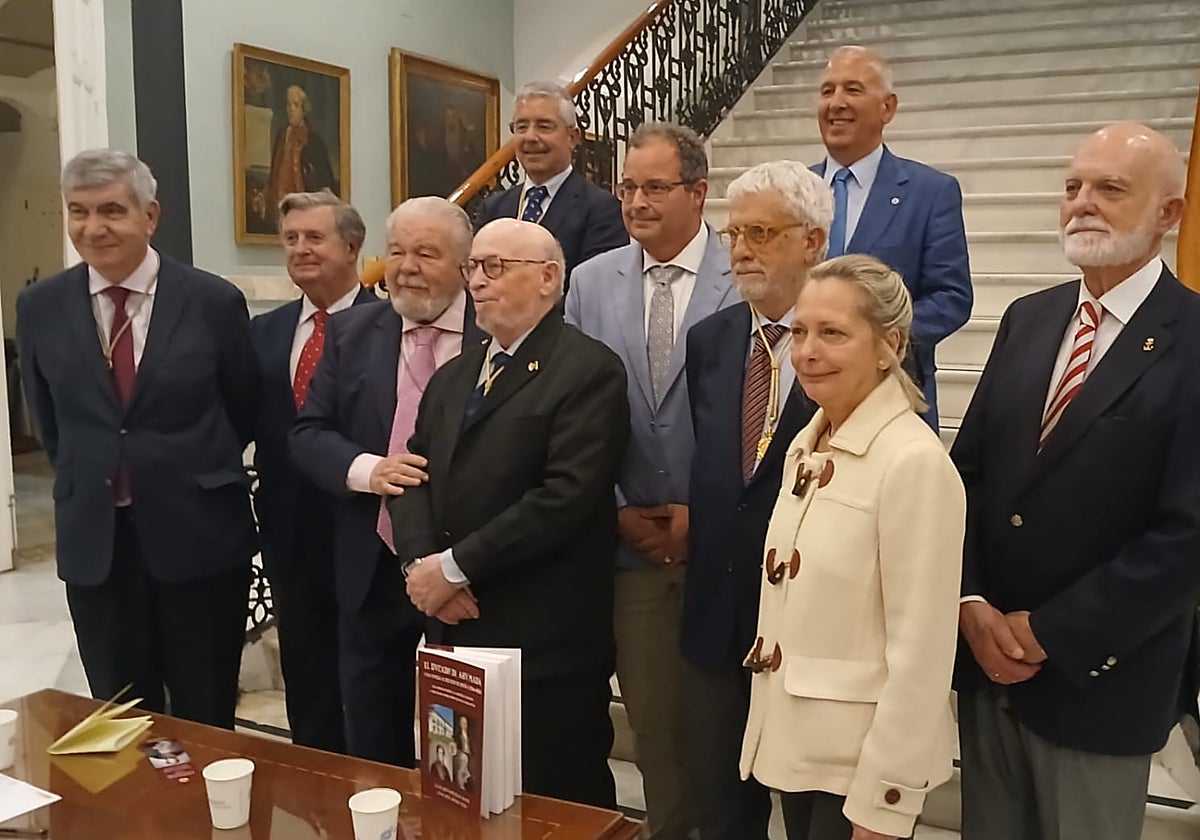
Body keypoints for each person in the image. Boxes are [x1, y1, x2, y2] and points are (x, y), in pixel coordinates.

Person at [951, 122, 1200, 840]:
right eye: (1072, 188)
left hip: (1100, 680)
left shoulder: (1193, 341)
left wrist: (1049, 631)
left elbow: (1186, 537)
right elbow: (967, 474)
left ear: (1170, 214)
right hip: (986, 667)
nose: (1081, 203)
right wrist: (969, 600)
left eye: (1110, 188)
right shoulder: (1030, 319)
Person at [389, 218, 630, 808]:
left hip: (543, 640)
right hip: (455, 628)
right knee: (464, 794)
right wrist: (423, 566)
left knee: (555, 800)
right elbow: (412, 473)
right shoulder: (455, 374)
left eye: (495, 267)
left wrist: (455, 568)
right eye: (473, 267)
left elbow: (563, 498)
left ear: (548, 279)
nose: (477, 281)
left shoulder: (588, 370)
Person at [16, 149, 257, 728]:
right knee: (119, 716)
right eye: (78, 212)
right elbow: (49, 420)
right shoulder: (40, 306)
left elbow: (244, 409)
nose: (93, 228)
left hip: (197, 538)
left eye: (111, 211)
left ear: (150, 216)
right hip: (98, 543)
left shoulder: (212, 301)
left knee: (205, 710)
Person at [741, 254, 965, 840]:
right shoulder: (806, 444)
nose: (808, 352)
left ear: (889, 343)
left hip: (858, 770)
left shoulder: (913, 463)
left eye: (833, 333)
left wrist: (884, 803)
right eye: (800, 332)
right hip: (801, 753)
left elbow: (922, 657)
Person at [566, 121, 737, 840]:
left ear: (697, 193)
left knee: (725, 727)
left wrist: (711, 512)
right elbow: (570, 414)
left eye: (654, 187)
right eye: (627, 186)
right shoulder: (590, 281)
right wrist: (610, 509)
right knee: (653, 726)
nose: (635, 201)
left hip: (725, 547)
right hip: (629, 541)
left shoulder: (744, 275)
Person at [289, 196, 486, 767]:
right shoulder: (351, 332)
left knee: (469, 746)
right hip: (369, 560)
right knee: (373, 734)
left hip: (465, 565)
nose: (406, 266)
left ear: (465, 265)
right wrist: (369, 470)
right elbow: (308, 433)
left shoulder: (495, 331)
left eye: (426, 253)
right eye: (397, 251)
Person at [681, 161, 827, 840]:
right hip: (717, 615)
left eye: (761, 232)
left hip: (810, 628)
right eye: (734, 233)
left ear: (814, 242)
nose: (740, 249)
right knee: (720, 810)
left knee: (809, 817)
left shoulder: (859, 347)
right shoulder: (710, 340)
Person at [250, 190, 377, 753]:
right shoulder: (268, 331)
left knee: (370, 679)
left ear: (352, 246)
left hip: (367, 529)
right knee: (305, 672)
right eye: (291, 239)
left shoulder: (391, 323)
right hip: (289, 529)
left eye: (314, 238)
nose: (300, 249)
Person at [812, 45, 972, 429]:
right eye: (827, 90)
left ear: (888, 107)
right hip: (801, 396)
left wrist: (873, 339)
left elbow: (952, 298)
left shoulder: (931, 192)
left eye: (852, 89)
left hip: (892, 398)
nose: (836, 103)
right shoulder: (793, 190)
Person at [474, 82, 627, 286]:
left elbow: (594, 294)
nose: (530, 137)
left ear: (572, 137)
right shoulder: (493, 207)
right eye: (521, 127)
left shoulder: (602, 209)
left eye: (544, 126)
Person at [268, 85, 338, 219]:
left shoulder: (314, 142)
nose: (291, 109)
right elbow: (275, 173)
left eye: (295, 105)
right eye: (288, 105)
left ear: (304, 109)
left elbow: (324, 182)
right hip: (281, 204)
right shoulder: (282, 136)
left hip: (305, 208)